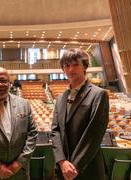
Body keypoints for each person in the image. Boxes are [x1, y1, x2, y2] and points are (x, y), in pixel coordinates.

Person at [51, 49, 109, 180]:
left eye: (75, 64)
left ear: (85, 66)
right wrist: (62, 161)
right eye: (66, 65)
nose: (71, 69)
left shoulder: (98, 94)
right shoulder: (60, 98)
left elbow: (94, 134)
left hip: (87, 168)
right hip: (63, 168)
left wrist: (73, 166)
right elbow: (55, 131)